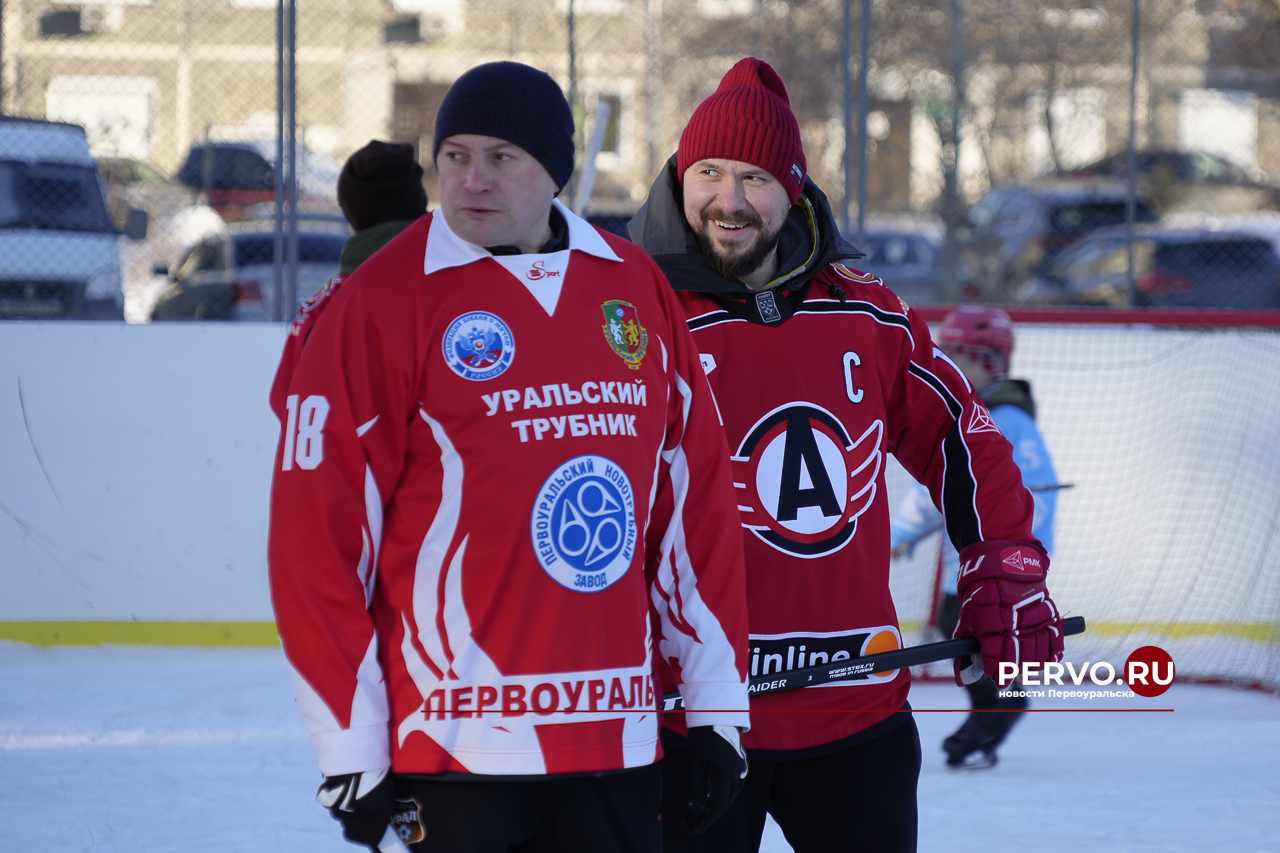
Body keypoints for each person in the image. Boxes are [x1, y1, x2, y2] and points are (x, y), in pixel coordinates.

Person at [268, 61, 752, 853]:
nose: (472, 180)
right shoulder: (381, 301)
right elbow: (315, 543)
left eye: (502, 158)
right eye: (454, 156)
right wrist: (350, 748)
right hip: (455, 745)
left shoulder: (634, 285)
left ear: (554, 171)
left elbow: (692, 517)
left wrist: (717, 711)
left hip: (615, 740)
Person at [628, 57, 1065, 853]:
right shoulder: (630, 321)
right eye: (709, 173)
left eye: (755, 177)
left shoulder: (868, 313)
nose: (728, 200)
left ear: (793, 187)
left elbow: (965, 437)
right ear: (678, 176)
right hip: (689, 718)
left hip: (855, 712)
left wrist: (1003, 558)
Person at [890, 305, 1060, 769]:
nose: (947, 362)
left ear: (991, 361)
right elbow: (938, 491)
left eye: (959, 355)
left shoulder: (1009, 418)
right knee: (955, 625)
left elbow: (1034, 494)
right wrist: (902, 535)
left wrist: (1018, 560)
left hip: (990, 562)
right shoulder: (967, 410)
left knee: (979, 631)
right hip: (960, 559)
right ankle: (993, 703)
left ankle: (999, 706)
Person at [269, 139, 429, 425]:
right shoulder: (471, 286)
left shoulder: (326, 308)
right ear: (420, 204)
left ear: (352, 214)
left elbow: (288, 404)